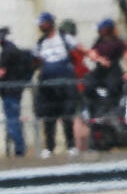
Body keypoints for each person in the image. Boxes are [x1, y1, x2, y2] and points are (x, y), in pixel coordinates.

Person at [33, 12, 92, 158]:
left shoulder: (64, 37)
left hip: (64, 84)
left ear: (50, 23)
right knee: (49, 118)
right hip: (48, 86)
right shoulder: (41, 42)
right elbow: (36, 61)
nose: (41, 26)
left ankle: (71, 146)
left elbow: (80, 49)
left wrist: (95, 56)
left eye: (42, 23)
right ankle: (49, 147)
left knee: (67, 115)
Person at [82, 19, 127, 148]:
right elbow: (92, 54)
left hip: (113, 70)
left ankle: (111, 113)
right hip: (100, 71)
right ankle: (97, 111)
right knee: (88, 83)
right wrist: (99, 59)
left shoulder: (117, 42)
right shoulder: (98, 42)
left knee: (113, 87)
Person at [0, 27, 33, 157]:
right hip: (16, 90)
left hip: (9, 91)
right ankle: (17, 148)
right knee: (14, 120)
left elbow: (1, 72)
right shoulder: (14, 49)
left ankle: (19, 149)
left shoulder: (7, 52)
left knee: (12, 120)